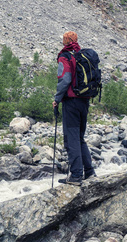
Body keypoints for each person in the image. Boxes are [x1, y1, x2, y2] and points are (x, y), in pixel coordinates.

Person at [53, 31, 96, 186]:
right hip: (84, 101)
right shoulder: (81, 55)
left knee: (71, 139)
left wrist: (57, 99)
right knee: (79, 138)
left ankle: (76, 176)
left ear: (65, 41)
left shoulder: (65, 56)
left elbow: (65, 80)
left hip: (71, 102)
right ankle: (89, 172)